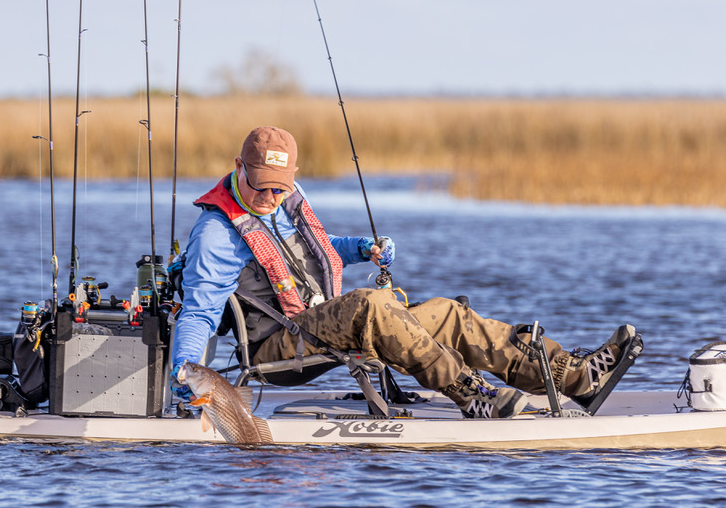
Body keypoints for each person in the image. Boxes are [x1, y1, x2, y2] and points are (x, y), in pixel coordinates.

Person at [168, 126, 639, 419]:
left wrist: (360, 249)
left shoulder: (285, 201)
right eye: (261, 187)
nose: (270, 198)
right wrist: (187, 374)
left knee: (447, 313)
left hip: (322, 321)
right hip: (280, 347)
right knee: (372, 304)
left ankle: (573, 378)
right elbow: (198, 312)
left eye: (279, 188)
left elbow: (311, 254)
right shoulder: (215, 233)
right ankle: (469, 393)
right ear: (238, 168)